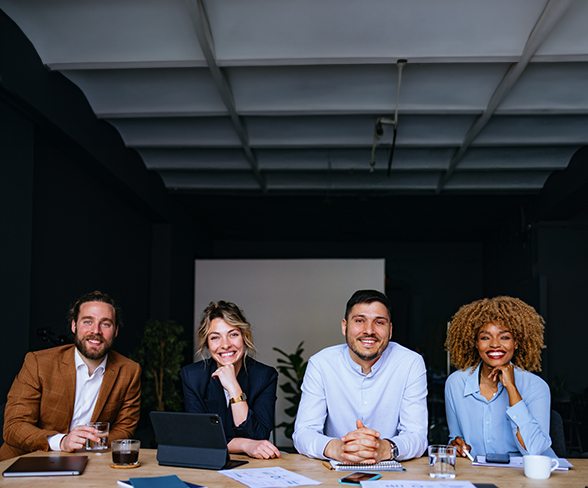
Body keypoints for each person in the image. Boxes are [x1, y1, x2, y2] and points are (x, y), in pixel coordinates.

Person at [0, 291, 141, 461]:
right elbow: (13, 427)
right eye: (88, 321)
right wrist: (62, 442)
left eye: (105, 324)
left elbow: (124, 430)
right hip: (27, 460)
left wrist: (88, 443)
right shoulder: (38, 363)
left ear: (116, 330)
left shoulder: (129, 371)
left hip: (91, 463)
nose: (96, 331)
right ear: (74, 326)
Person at [293, 290, 428, 463]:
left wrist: (385, 448)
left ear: (390, 330)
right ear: (344, 326)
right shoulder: (321, 363)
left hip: (392, 474)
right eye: (359, 321)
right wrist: (338, 448)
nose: (369, 331)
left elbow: (417, 435)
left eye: (379, 322)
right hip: (333, 473)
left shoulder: (410, 363)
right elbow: (304, 432)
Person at [444, 296, 553, 458]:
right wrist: (455, 446)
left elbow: (534, 451)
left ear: (516, 342)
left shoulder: (536, 386)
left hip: (527, 478)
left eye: (505, 337)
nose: (495, 344)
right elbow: (455, 439)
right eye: (485, 337)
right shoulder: (456, 383)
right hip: (480, 476)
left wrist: (511, 388)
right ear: (475, 343)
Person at [181, 301, 280, 459]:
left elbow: (259, 435)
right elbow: (200, 438)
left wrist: (234, 387)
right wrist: (244, 445)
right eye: (215, 337)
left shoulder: (265, 376)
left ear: (244, 337)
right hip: (208, 464)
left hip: (253, 467)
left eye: (233, 334)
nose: (225, 344)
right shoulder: (192, 376)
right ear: (207, 344)